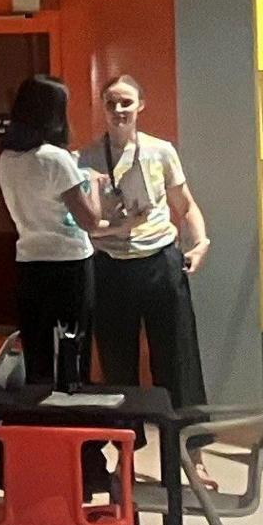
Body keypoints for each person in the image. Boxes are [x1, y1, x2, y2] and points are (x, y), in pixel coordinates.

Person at [87, 73, 209, 405]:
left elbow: (185, 206)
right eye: (110, 103)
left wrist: (201, 244)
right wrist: (117, 229)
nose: (118, 109)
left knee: (176, 359)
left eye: (126, 102)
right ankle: (126, 445)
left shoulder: (160, 151)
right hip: (110, 266)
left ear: (141, 105)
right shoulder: (86, 158)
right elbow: (83, 225)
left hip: (159, 261)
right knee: (116, 363)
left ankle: (185, 444)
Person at [0, 73, 107, 385]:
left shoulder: (7, 157)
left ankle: (35, 420)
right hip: (69, 264)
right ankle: (74, 420)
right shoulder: (56, 159)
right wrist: (93, 183)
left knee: (38, 350)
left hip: (29, 262)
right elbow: (90, 221)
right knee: (74, 349)